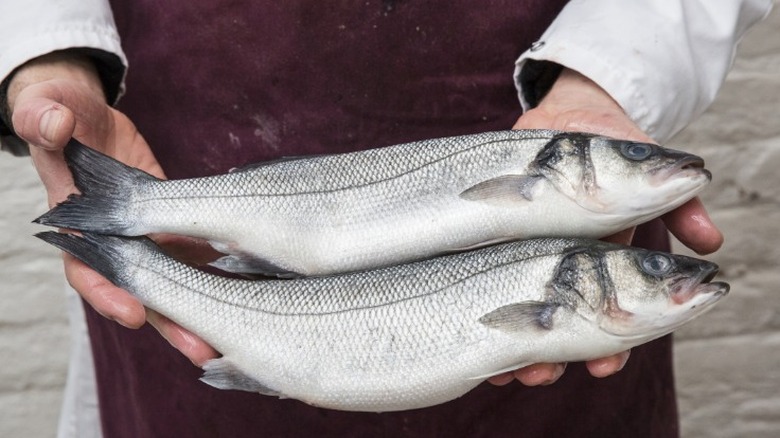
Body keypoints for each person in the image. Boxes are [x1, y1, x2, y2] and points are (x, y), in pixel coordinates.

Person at [0, 1, 770, 437]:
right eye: (636, 164)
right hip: (180, 132)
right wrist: (46, 57)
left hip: (539, 109)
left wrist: (613, 75)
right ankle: (131, 222)